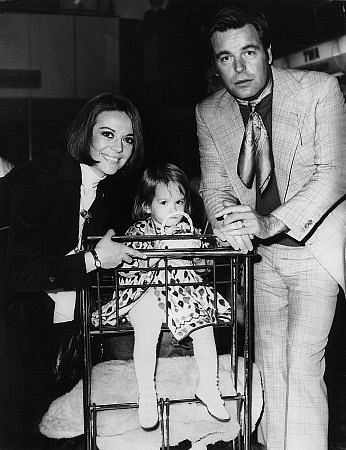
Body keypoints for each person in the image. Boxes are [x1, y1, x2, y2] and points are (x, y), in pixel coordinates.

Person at [196, 7, 346, 450]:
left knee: (301, 365)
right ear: (216, 65)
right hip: (259, 260)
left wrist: (267, 222)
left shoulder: (319, 90)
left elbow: (334, 174)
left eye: (248, 52)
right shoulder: (209, 112)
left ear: (268, 53)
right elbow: (214, 187)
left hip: (314, 250)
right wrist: (232, 224)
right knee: (270, 369)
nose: (239, 67)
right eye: (226, 58)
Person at [3, 92, 146, 447]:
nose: (119, 148)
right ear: (86, 134)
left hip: (46, 329)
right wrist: (95, 260)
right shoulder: (45, 179)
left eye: (127, 139)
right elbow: (17, 274)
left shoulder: (98, 190)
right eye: (107, 134)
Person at [92, 163, 232, 429]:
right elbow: (129, 265)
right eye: (165, 202)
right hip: (145, 291)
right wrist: (159, 249)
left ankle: (209, 387)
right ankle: (146, 393)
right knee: (147, 328)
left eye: (180, 202)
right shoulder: (138, 231)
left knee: (204, 327)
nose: (175, 209)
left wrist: (196, 252)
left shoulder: (187, 230)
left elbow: (203, 267)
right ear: (147, 206)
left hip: (182, 293)